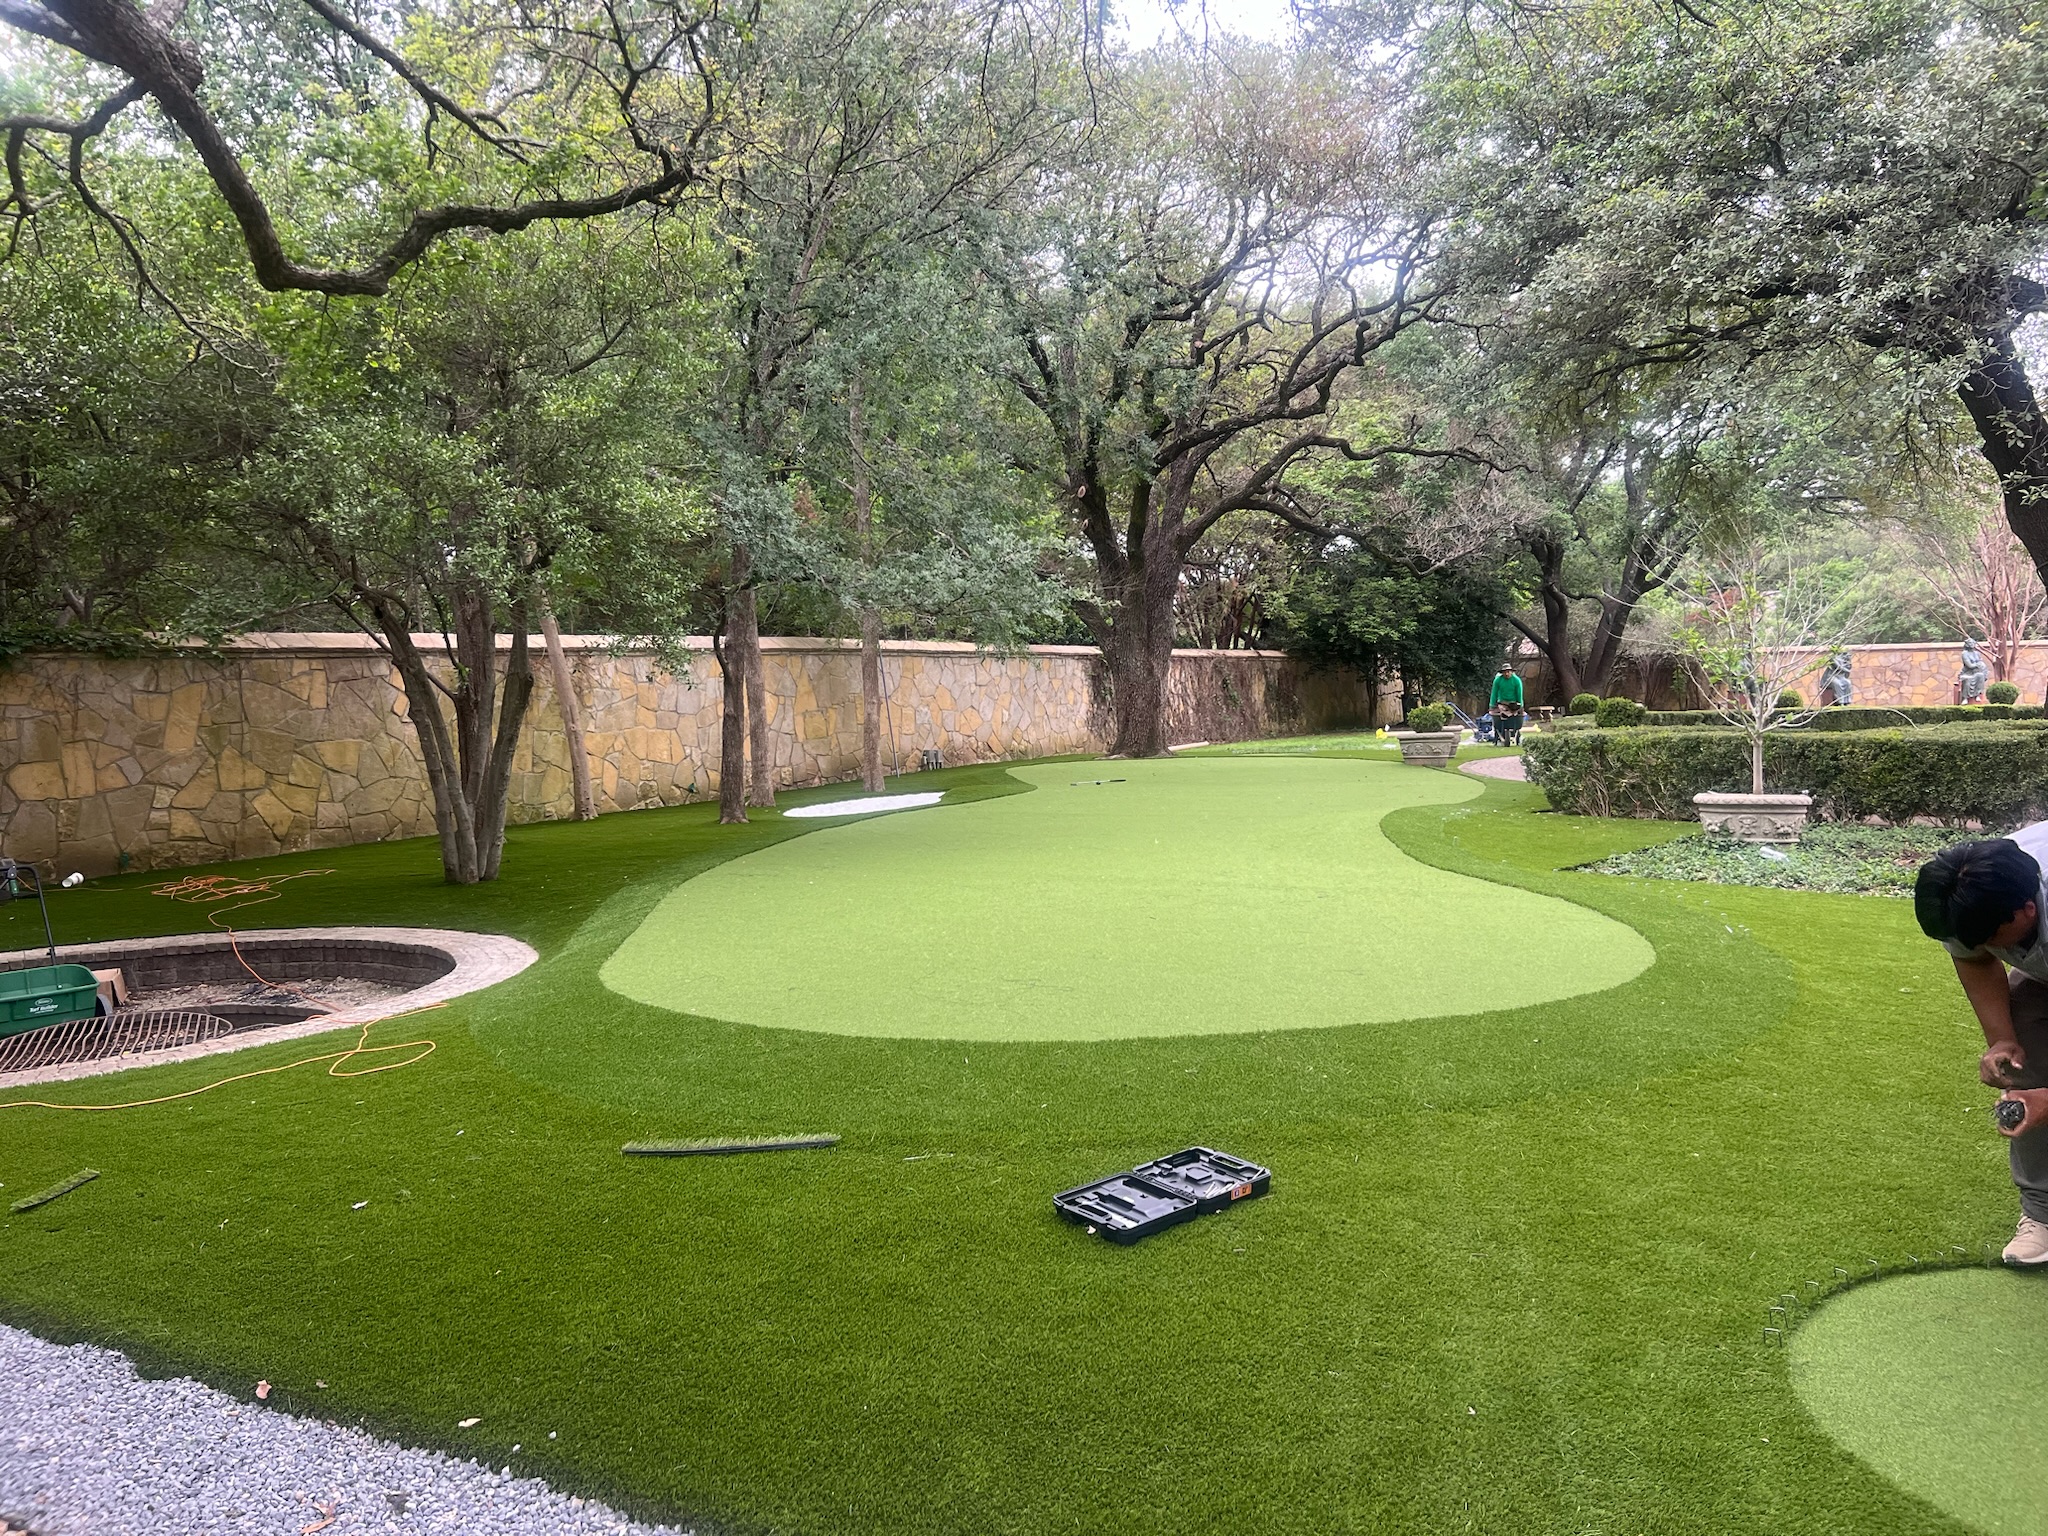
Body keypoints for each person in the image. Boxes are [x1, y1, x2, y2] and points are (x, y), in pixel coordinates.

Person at [1915, 827, 2048, 1264]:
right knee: (2024, 1044)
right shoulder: (1967, 897)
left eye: (1993, 937)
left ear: (2027, 910)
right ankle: (2042, 1215)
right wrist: (2001, 1039)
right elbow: (1973, 957)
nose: (1983, 946)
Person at [1489, 662, 1525, 746]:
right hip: (1503, 702)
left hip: (1514, 703)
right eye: (1505, 672)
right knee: (1500, 715)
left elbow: (1519, 694)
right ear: (1502, 673)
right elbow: (1494, 693)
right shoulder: (1498, 680)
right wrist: (1491, 705)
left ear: (1511, 672)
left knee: (1515, 715)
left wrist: (1520, 706)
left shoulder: (1516, 680)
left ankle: (1516, 734)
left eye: (1508, 671)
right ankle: (1498, 735)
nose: (1507, 673)